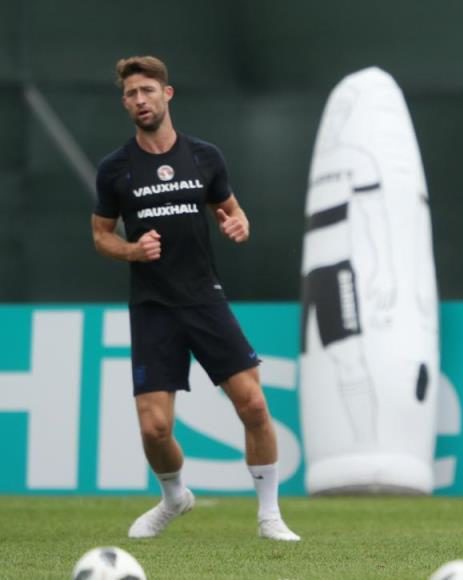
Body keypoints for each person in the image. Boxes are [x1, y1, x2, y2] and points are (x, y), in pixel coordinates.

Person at [91, 55, 300, 542]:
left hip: (205, 299)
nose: (139, 100)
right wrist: (132, 250)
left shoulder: (205, 157)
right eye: (130, 94)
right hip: (152, 307)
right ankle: (174, 497)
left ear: (167, 94)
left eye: (147, 90)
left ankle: (269, 515)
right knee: (154, 429)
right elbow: (100, 236)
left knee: (253, 405)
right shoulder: (115, 169)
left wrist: (239, 224)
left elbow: (232, 210)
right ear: (125, 103)